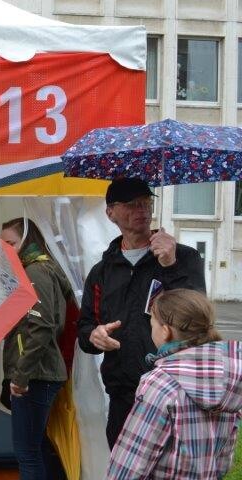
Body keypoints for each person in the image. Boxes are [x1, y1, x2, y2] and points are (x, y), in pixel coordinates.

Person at [90, 289, 241, 480]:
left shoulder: (160, 384)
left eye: (152, 323)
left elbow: (129, 464)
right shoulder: (229, 380)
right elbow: (224, 458)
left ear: (166, 330)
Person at [77, 178, 206, 448]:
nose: (142, 210)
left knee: (166, 472)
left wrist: (170, 266)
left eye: (147, 203)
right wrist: (94, 336)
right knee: (121, 470)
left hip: (172, 393)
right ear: (110, 212)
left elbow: (196, 320)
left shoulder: (184, 258)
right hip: (122, 395)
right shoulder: (102, 271)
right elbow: (85, 327)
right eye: (132, 204)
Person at [0, 218, 73, 480]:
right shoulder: (36, 269)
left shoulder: (37, 272)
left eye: (10, 243)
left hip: (36, 376)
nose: (5, 249)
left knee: (28, 454)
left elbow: (42, 327)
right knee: (35, 449)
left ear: (26, 240)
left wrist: (21, 376)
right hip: (39, 374)